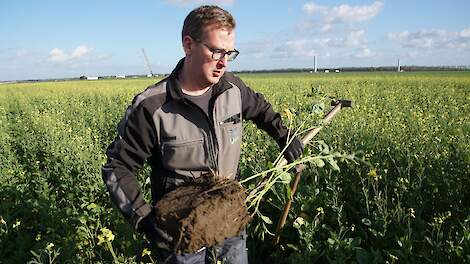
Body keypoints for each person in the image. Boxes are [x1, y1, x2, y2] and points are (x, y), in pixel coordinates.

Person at [102, 5, 303, 264]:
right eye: (217, 51)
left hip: (229, 218)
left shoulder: (232, 89)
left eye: (230, 53)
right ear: (188, 45)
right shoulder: (152, 106)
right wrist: (143, 217)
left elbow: (262, 110)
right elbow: (117, 166)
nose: (224, 62)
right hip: (181, 233)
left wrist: (284, 135)